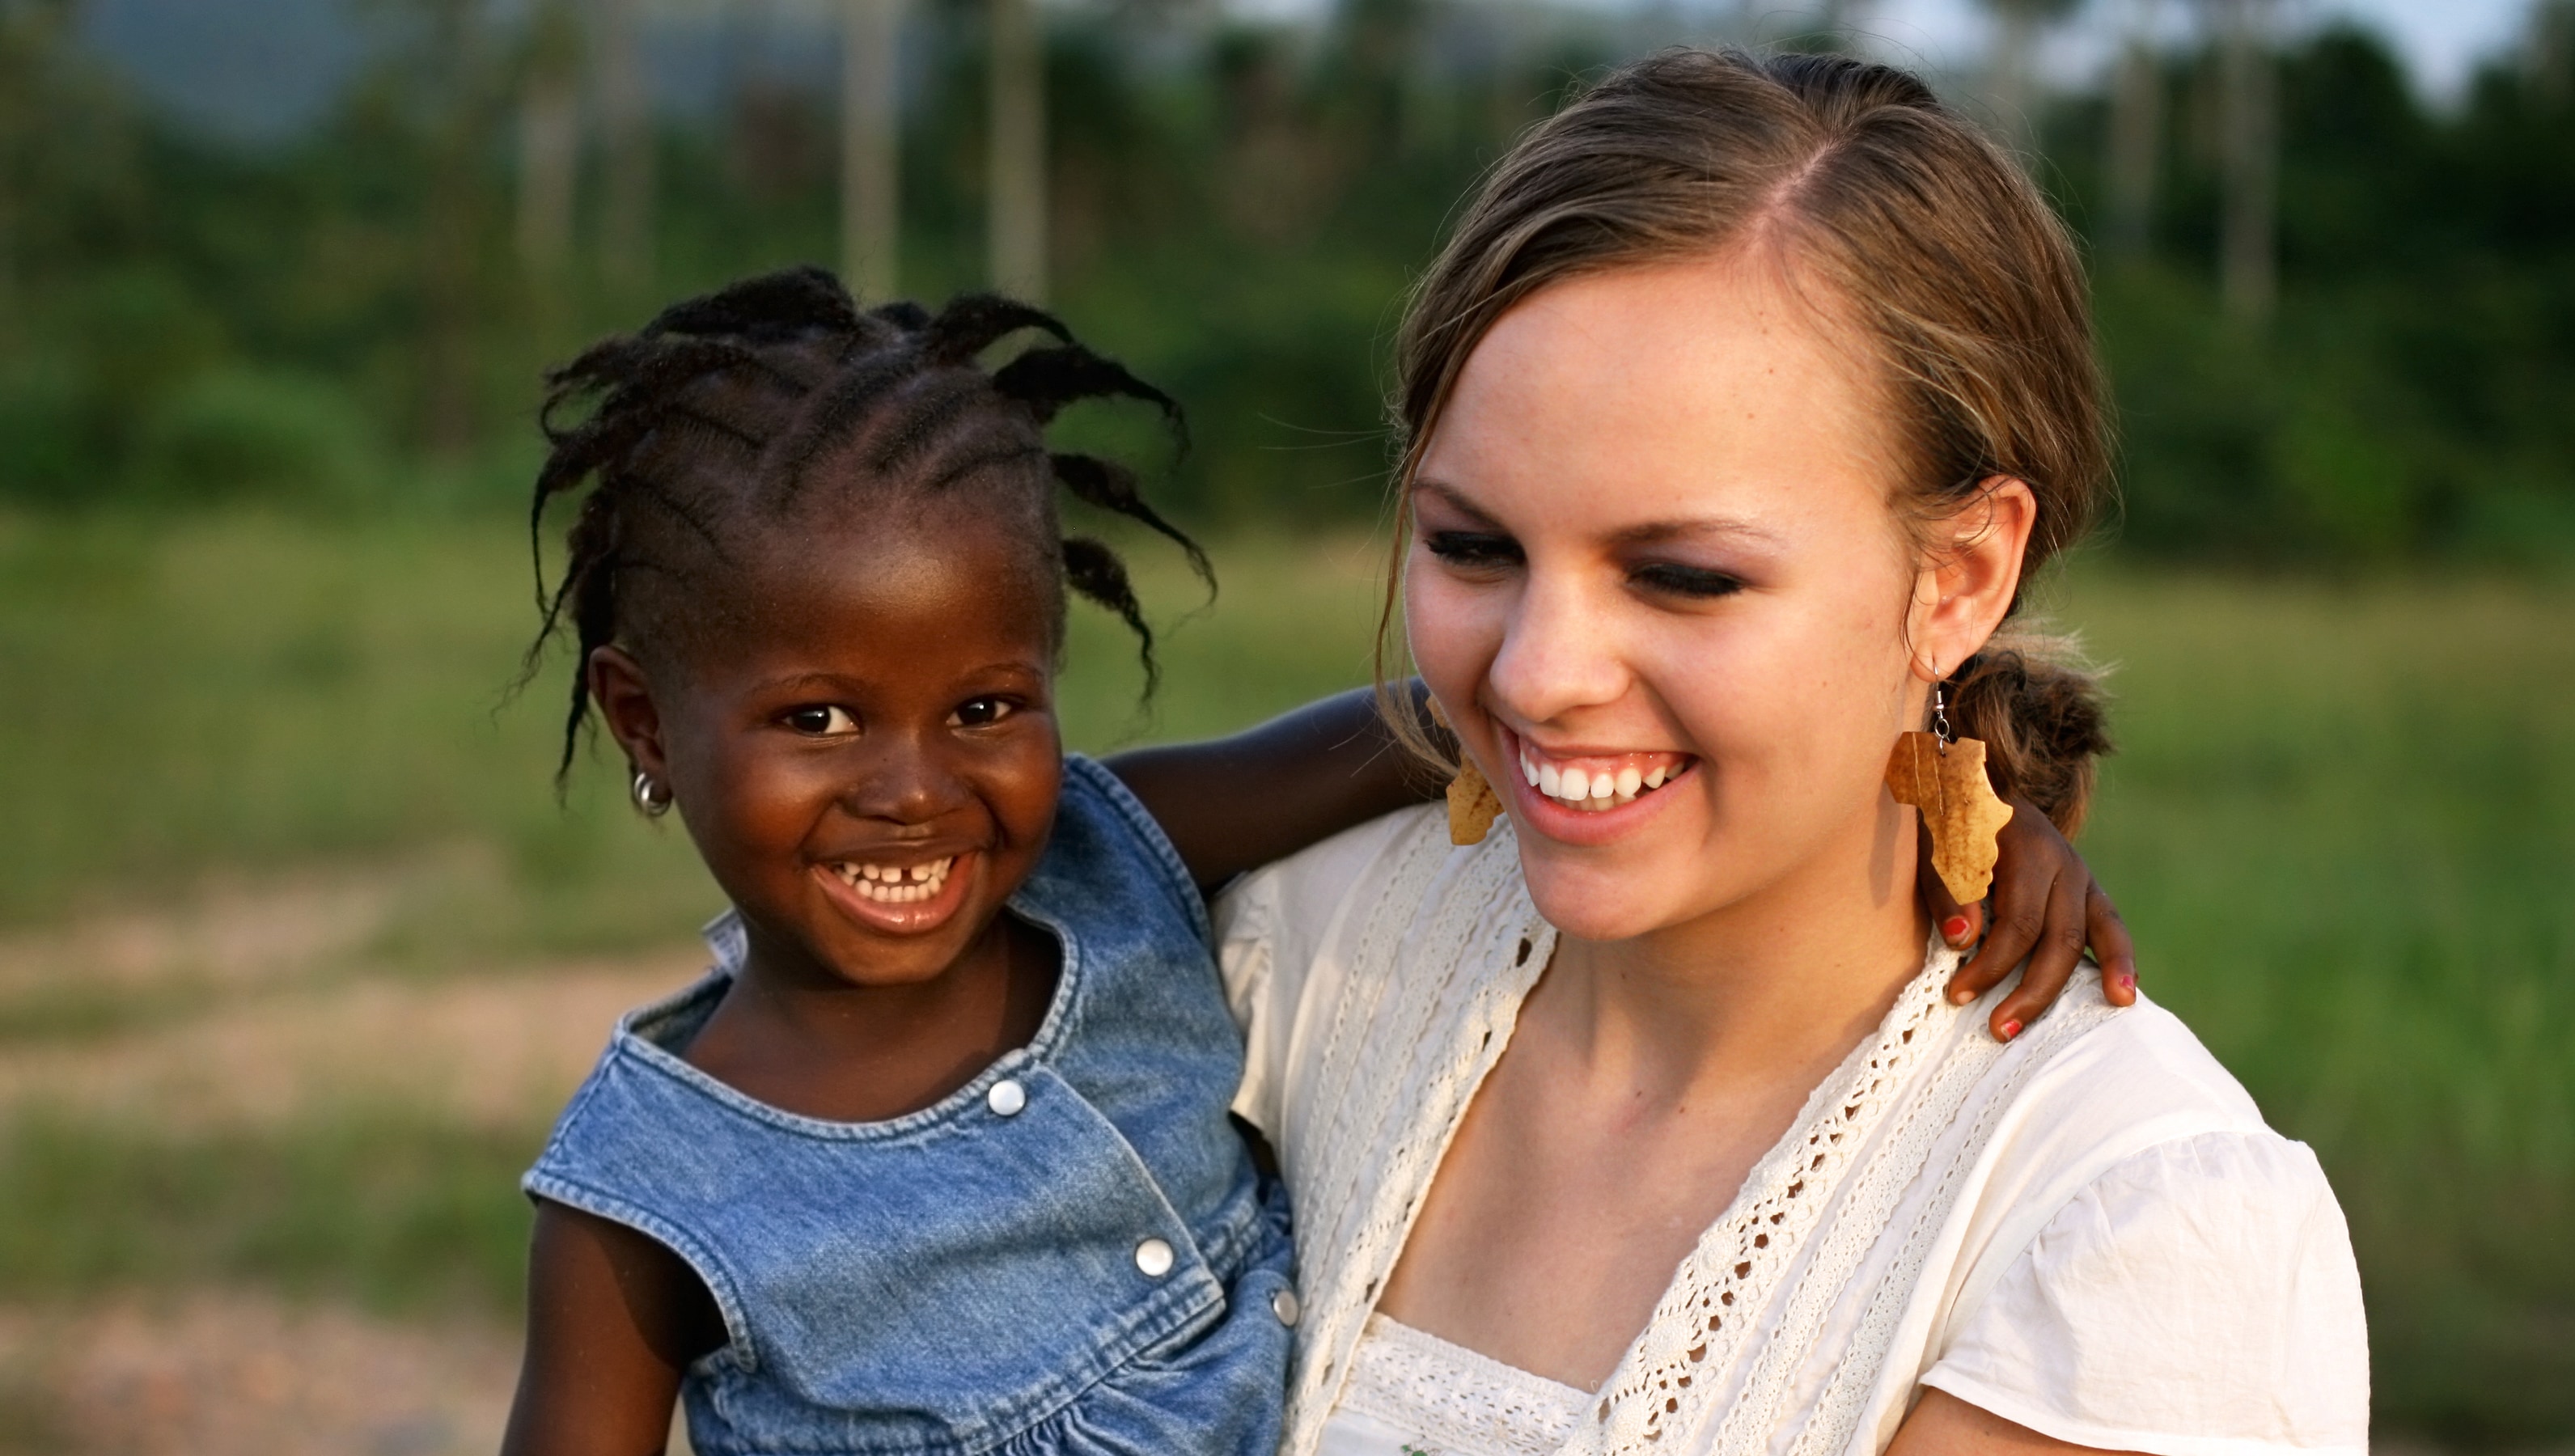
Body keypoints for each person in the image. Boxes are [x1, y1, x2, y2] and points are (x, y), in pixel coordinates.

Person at [495, 267, 2135, 1455]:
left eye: (987, 704)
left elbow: (1506, 717)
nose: (914, 789)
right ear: (647, 725)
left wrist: (1962, 789)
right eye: (818, 721)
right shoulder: (647, 1190)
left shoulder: (1115, 859)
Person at [1214, 49, 2368, 1456]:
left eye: (1684, 577)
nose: (1536, 673)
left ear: (1957, 578)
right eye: (1471, 547)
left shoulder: (2127, 1230)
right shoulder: (1292, 954)